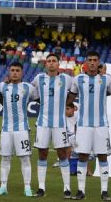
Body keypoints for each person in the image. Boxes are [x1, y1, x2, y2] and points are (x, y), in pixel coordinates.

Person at [67, 51, 111, 200]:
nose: (92, 62)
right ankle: (81, 191)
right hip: (83, 125)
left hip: (101, 125)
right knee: (82, 156)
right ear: (85, 62)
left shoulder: (107, 80)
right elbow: (69, 98)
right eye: (89, 60)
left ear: (99, 63)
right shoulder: (78, 79)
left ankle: (104, 192)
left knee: (102, 156)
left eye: (95, 60)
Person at [32, 54, 72, 198]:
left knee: (62, 154)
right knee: (42, 154)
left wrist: (65, 103)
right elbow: (32, 93)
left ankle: (67, 187)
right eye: (48, 61)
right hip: (43, 123)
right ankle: (41, 187)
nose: (51, 63)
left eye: (53, 61)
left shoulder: (66, 79)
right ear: (46, 64)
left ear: (58, 64)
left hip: (60, 124)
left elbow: (73, 93)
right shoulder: (39, 78)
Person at [0, 62, 35, 197]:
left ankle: (27, 188)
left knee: (25, 159)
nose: (15, 73)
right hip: (6, 129)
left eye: (17, 70)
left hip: (22, 129)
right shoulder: (2, 86)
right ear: (9, 72)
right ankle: (3, 186)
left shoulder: (28, 88)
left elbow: (40, 99)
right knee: (5, 159)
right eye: (12, 70)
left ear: (22, 72)